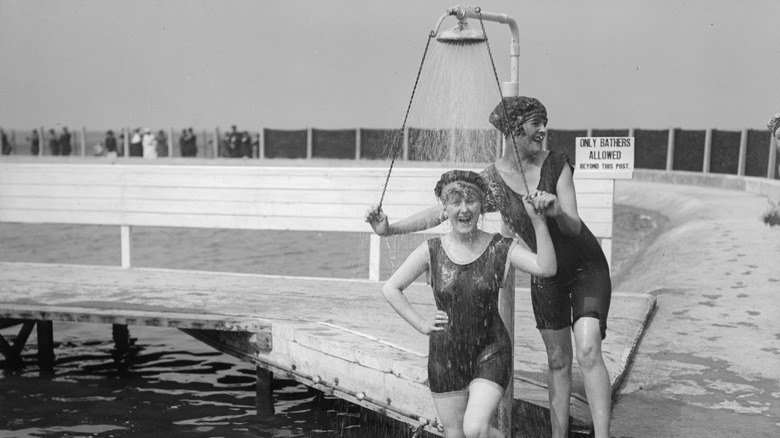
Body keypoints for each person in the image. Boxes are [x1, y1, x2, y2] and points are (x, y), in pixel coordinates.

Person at [366, 96, 613, 438]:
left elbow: (572, 227)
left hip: (586, 267)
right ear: (513, 132)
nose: (543, 131)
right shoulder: (491, 182)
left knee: (586, 349)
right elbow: (440, 212)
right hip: (548, 275)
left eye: (544, 124)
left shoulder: (557, 164)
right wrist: (390, 229)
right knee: (558, 360)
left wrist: (552, 210)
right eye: (535, 126)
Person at [367, 170, 556, 438]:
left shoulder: (501, 247)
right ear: (444, 209)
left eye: (472, 201)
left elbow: (546, 268)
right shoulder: (431, 250)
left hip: (491, 350)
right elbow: (391, 288)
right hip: (445, 357)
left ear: (482, 206)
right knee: (456, 435)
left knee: (475, 429)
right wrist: (421, 323)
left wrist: (539, 222)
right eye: (455, 201)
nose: (464, 209)